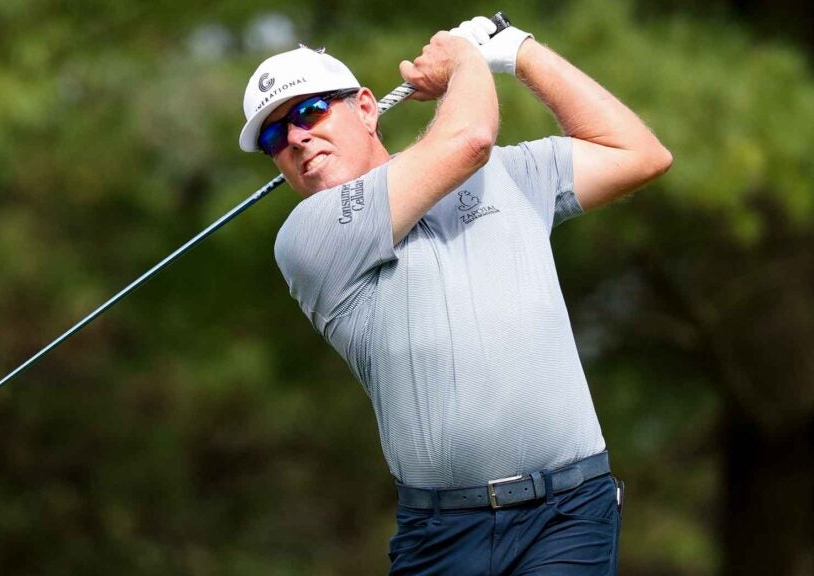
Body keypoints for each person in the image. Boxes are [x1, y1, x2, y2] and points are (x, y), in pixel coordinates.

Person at [237, 15, 671, 576]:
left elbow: (640, 153)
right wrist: (466, 58)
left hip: (570, 514)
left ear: (367, 108)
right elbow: (468, 139)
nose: (296, 137)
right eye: (274, 137)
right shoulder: (309, 236)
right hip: (443, 536)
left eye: (309, 111)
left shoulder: (510, 175)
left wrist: (519, 53)